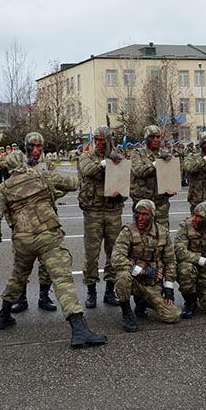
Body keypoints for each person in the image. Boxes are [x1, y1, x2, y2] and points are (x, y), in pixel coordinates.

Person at [0, 151, 106, 348]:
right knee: (62, 279)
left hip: (23, 240)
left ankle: (4, 315)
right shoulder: (41, 175)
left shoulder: (3, 188)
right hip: (47, 235)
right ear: (24, 162)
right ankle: (79, 329)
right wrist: (54, 190)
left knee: (18, 276)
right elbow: (72, 183)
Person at [111, 199, 181, 332]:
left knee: (173, 315)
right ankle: (127, 313)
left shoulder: (162, 233)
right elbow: (117, 258)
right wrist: (143, 271)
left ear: (152, 216)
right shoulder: (128, 231)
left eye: (145, 214)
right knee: (123, 276)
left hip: (152, 284)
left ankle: (143, 302)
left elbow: (170, 260)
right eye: (138, 213)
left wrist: (169, 286)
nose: (140, 218)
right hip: (135, 281)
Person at [77, 126, 125, 308]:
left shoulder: (118, 157)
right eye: (96, 140)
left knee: (114, 253)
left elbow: (123, 182)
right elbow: (88, 170)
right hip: (93, 211)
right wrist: (106, 163)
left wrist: (119, 193)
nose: (98, 143)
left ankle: (109, 291)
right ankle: (91, 291)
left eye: (102, 140)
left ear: (108, 140)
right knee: (92, 253)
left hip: (113, 210)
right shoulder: (86, 155)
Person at [130, 125, 176, 227]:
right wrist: (157, 164)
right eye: (152, 137)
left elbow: (173, 176)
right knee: (141, 237)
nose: (156, 139)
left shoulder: (166, 154)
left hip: (161, 204)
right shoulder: (137, 153)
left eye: (158, 137)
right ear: (146, 138)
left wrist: (172, 189)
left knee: (162, 236)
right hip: (143, 204)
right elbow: (139, 171)